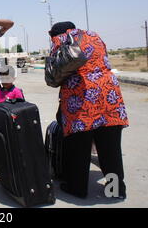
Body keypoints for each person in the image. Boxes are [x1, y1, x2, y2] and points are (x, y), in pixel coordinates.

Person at [48, 21, 129, 199]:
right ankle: (115, 190)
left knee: (78, 147)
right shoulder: (94, 36)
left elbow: (54, 75)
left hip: (81, 101)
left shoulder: (60, 40)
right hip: (109, 96)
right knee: (110, 149)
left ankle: (77, 188)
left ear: (53, 34)